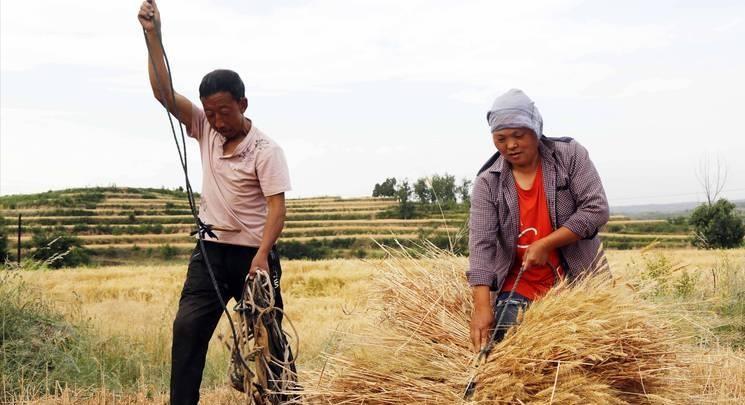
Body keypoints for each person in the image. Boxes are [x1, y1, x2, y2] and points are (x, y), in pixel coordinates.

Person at [137, 1, 293, 403]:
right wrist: (153, 37)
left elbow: (277, 210)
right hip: (210, 252)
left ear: (243, 104)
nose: (217, 120)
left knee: (269, 336)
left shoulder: (266, 150)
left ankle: (284, 399)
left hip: (252, 256)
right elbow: (163, 93)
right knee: (187, 328)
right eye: (211, 112)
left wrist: (262, 256)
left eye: (224, 111)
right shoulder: (204, 127)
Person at [468, 89, 609, 353]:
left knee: (586, 355)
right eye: (500, 138)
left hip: (577, 280)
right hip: (522, 283)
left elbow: (596, 209)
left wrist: (546, 244)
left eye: (518, 135)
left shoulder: (569, 156)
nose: (510, 145)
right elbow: (481, 245)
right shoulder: (489, 182)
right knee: (507, 349)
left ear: (536, 129)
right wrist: (482, 307)